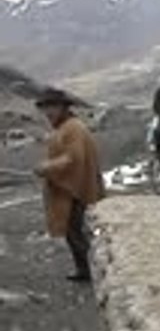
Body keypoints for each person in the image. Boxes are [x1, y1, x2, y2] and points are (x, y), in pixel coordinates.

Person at [33, 88, 105, 283]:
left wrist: (47, 167)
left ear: (63, 107)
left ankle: (90, 270)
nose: (48, 112)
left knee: (76, 232)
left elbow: (72, 158)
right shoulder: (66, 127)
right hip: (73, 187)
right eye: (45, 107)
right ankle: (86, 269)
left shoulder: (73, 128)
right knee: (74, 232)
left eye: (52, 107)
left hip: (76, 190)